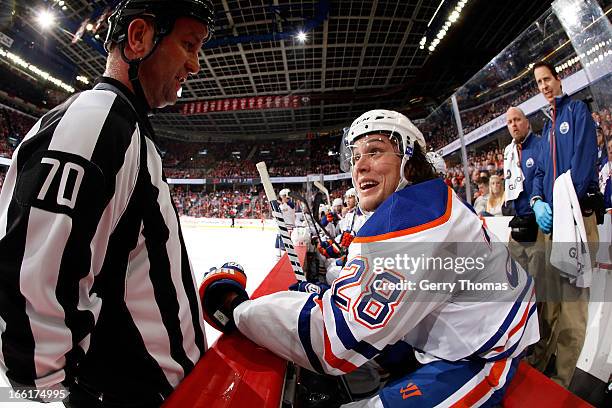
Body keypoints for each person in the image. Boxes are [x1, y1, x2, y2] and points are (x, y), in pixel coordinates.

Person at [199, 110, 538, 407]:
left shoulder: (417, 215)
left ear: (409, 158)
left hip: (483, 357)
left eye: (374, 151)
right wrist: (323, 294)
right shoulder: (422, 201)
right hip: (459, 336)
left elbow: (330, 343)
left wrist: (238, 308)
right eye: (355, 156)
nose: (359, 165)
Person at [0, 0, 214, 406]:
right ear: (139, 38)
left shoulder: (124, 128)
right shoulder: (97, 121)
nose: (195, 65)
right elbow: (31, 281)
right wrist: (61, 390)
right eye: (188, 45)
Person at [529, 61, 600, 388]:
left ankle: (562, 382)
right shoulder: (546, 129)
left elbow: (584, 166)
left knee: (572, 306)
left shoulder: (577, 113)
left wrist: (561, 206)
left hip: (575, 222)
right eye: (538, 83)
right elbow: (541, 174)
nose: (543, 86)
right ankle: (539, 363)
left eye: (547, 79)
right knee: (547, 301)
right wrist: (537, 201)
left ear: (558, 79)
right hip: (550, 227)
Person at [503, 107, 545, 279]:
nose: (514, 125)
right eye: (510, 122)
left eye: (517, 120)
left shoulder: (540, 145)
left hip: (538, 228)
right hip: (519, 226)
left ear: (527, 123)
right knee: (516, 282)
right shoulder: (508, 152)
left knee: (539, 285)